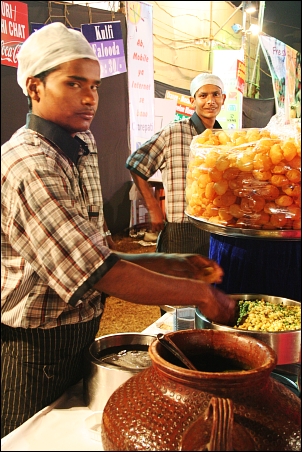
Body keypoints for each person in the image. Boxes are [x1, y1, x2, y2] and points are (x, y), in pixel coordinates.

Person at [1, 23, 236, 438]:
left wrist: (169, 261)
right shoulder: (28, 164)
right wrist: (200, 294)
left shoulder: (81, 145)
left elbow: (96, 254)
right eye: (74, 83)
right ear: (34, 88)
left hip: (82, 331)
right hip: (33, 348)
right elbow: (99, 273)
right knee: (29, 437)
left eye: (94, 85)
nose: (90, 97)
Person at [126, 72, 226, 256]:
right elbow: (135, 164)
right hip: (181, 230)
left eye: (216, 94)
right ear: (192, 100)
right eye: (203, 95)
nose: (210, 101)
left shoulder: (224, 138)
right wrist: (153, 208)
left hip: (216, 228)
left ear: (223, 99)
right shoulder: (173, 132)